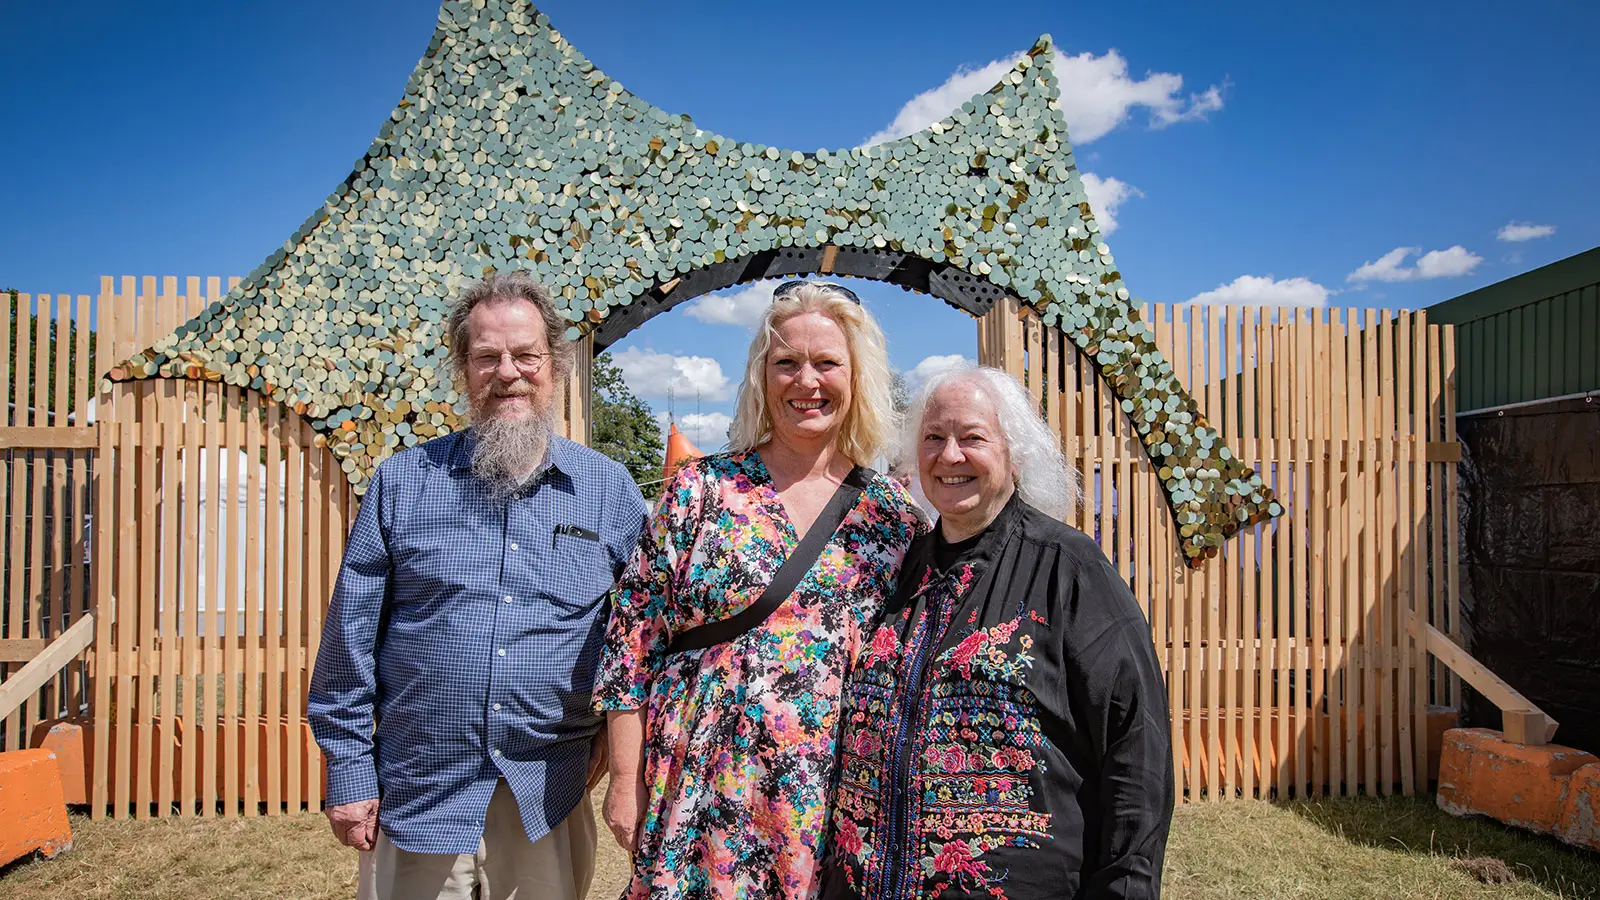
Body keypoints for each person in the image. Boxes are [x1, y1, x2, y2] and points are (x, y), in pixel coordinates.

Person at [308, 272, 649, 900]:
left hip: (548, 786)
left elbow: (640, 636)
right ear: (463, 368)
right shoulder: (402, 483)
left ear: (556, 366)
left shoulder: (609, 492)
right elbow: (349, 640)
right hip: (420, 789)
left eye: (525, 355)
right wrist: (351, 771)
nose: (508, 372)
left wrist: (613, 739)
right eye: (487, 356)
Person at [592, 281, 925, 900]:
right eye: (786, 363)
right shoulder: (700, 490)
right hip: (701, 783)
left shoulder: (892, 516)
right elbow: (631, 640)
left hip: (833, 792)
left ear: (857, 377)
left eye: (827, 363)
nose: (807, 381)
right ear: (760, 377)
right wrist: (623, 774)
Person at [821, 364, 1175, 900]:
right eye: (933, 438)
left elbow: (1134, 747)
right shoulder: (897, 569)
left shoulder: (1069, 568)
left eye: (973, 438)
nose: (950, 456)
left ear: (1015, 451)